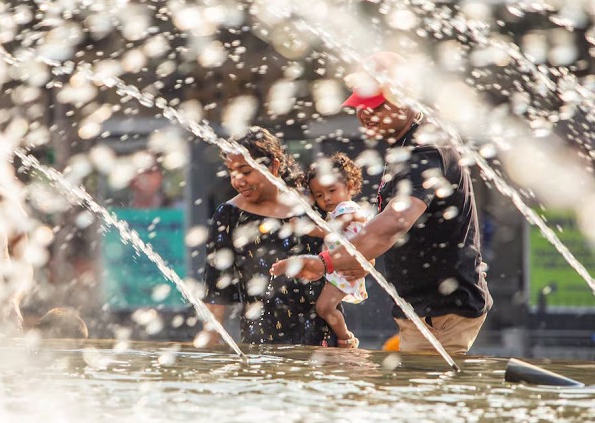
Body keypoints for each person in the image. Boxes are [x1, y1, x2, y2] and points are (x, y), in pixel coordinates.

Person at [271, 52, 492, 354]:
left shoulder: (425, 152)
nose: (364, 114)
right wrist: (360, 257)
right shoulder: (403, 146)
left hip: (443, 313)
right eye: (359, 106)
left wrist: (326, 263)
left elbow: (393, 225)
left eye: (374, 105)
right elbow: (390, 230)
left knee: (423, 396)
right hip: (423, 308)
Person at [199, 127, 341, 347]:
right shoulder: (228, 215)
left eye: (246, 172)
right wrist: (210, 338)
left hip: (323, 337)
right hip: (262, 340)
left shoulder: (311, 206)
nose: (238, 181)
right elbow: (217, 285)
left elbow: (347, 252)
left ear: (274, 166)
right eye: (231, 172)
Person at [306, 153, 369, 349]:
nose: (326, 198)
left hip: (344, 268)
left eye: (331, 190)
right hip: (339, 267)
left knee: (324, 307)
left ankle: (346, 338)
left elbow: (331, 231)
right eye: (318, 195)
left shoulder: (346, 208)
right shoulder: (338, 211)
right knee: (325, 306)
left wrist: (303, 228)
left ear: (349, 186)